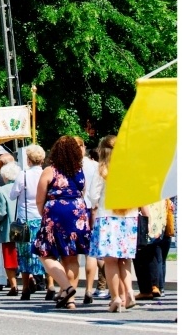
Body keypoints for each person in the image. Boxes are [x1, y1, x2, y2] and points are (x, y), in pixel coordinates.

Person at [32, 135, 91, 310]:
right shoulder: (80, 171)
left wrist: (45, 214)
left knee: (45, 253)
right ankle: (69, 300)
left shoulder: (50, 170)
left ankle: (67, 287)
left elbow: (39, 198)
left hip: (55, 212)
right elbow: (82, 191)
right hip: (77, 213)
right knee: (72, 257)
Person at [87, 134, 141, 312]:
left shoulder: (101, 170)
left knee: (110, 262)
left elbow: (93, 196)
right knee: (125, 260)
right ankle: (130, 293)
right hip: (129, 217)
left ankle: (116, 297)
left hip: (107, 218)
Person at [8, 144, 50, 300]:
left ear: (29, 159)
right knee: (46, 252)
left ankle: (25, 288)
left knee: (24, 253)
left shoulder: (23, 175)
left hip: (24, 219)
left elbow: (13, 195)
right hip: (42, 218)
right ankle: (50, 284)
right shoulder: (46, 174)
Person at [73, 136, 100, 304]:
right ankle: (89, 289)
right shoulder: (94, 166)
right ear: (83, 148)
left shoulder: (67, 167)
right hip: (92, 209)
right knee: (91, 251)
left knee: (73, 252)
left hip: (75, 209)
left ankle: (71, 289)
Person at [0, 161, 22, 295]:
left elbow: (1, 212)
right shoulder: (23, 188)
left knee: (10, 257)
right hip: (22, 225)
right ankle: (31, 280)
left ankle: (13, 286)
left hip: (8, 227)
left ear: (5, 176)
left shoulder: (1, 190)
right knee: (23, 255)